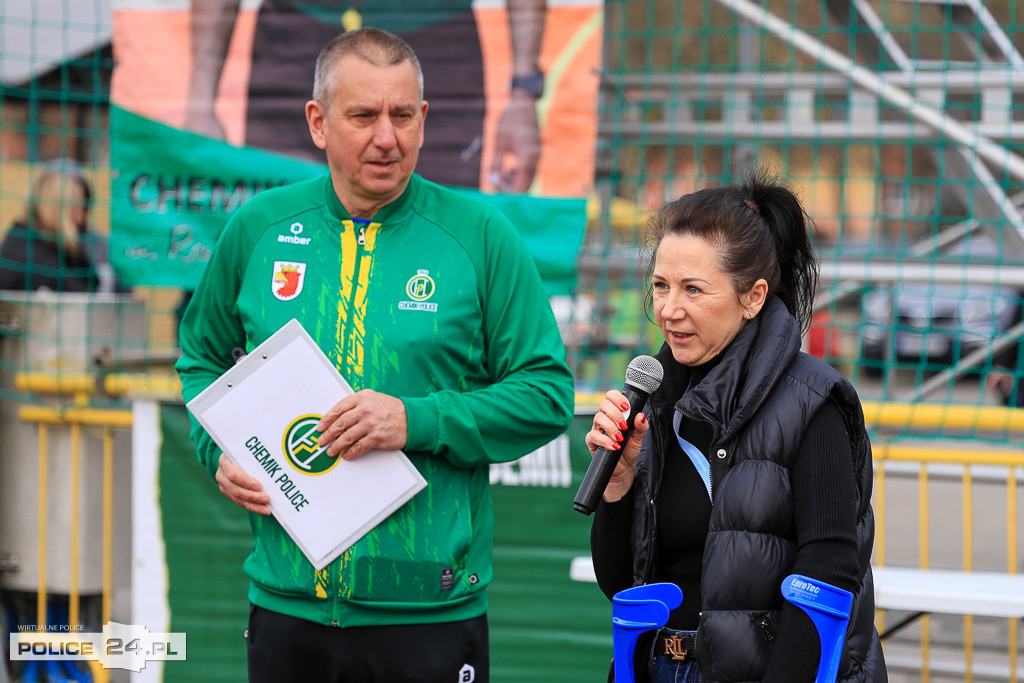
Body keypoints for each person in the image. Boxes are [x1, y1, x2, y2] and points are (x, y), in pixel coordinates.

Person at [175, 27, 574, 683]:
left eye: (402, 115)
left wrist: (418, 420)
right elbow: (201, 358)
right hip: (286, 604)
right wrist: (219, 448)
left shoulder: (480, 237)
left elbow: (545, 393)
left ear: (424, 120)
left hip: (430, 609)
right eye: (363, 115)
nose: (386, 136)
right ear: (318, 122)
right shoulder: (259, 229)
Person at [585, 171, 886, 682]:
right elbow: (619, 584)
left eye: (693, 289)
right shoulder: (654, 400)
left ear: (753, 297)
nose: (669, 309)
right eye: (660, 286)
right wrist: (617, 488)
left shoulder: (814, 401)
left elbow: (829, 574)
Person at [185, 0, 547, 192]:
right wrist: (200, 100)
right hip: (293, 42)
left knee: (433, 236)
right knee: (284, 227)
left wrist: (524, 94)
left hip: (438, 45)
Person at [0, 164, 118, 293]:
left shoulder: (41, 244)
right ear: (56, 210)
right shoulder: (35, 259)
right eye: (78, 208)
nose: (82, 218)